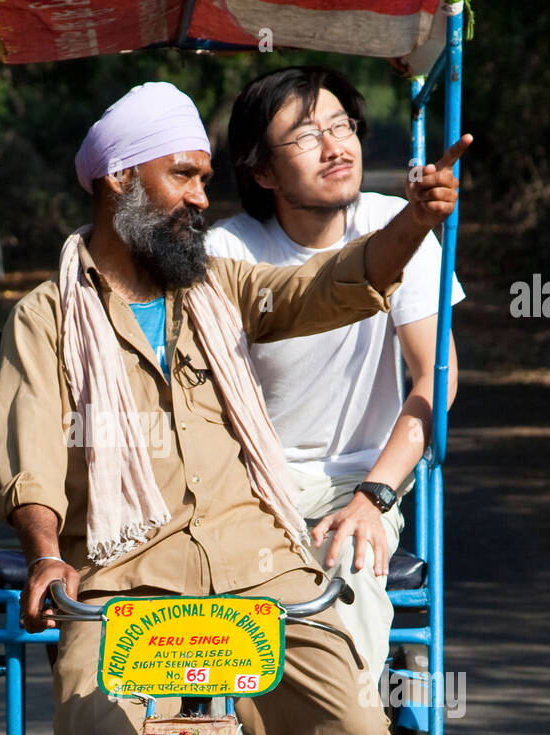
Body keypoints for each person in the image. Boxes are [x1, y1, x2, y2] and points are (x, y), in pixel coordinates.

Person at [0, 80, 469, 735]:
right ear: (118, 181)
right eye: (184, 176)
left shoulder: (218, 286)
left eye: (206, 179)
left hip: (261, 564)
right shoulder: (45, 316)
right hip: (122, 575)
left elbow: (329, 286)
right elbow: (30, 454)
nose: (202, 198)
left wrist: (414, 221)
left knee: (351, 723)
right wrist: (45, 552)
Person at [205, 66, 464, 685]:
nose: (335, 146)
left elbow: (437, 377)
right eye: (304, 135)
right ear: (262, 170)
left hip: (358, 476)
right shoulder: (228, 253)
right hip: (250, 480)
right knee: (215, 583)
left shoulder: (397, 230)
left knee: (351, 566)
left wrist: (374, 498)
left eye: (341, 125)